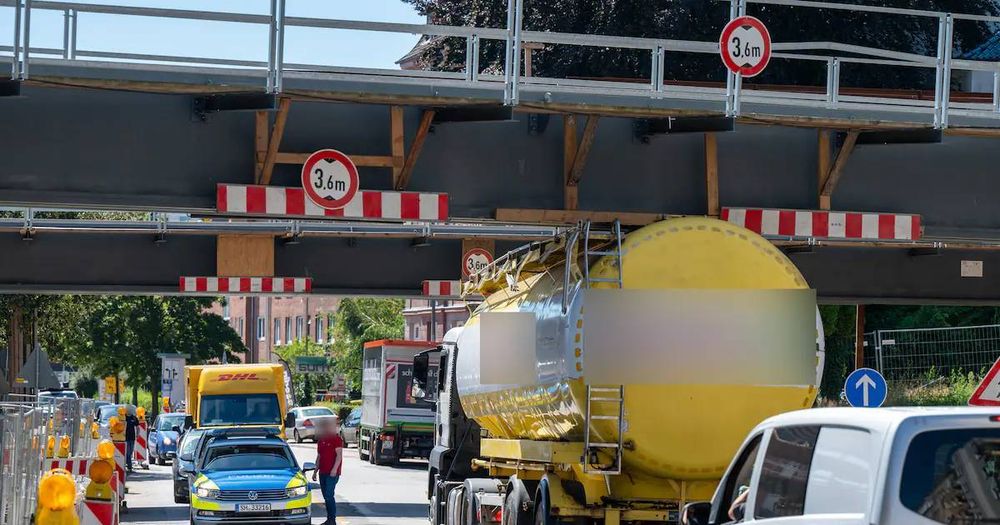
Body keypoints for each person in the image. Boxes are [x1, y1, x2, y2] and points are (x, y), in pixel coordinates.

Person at [313, 417, 343, 525]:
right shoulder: (321, 440)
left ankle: (332, 520)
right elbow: (319, 456)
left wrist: (334, 470)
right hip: (323, 472)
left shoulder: (336, 439)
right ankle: (329, 519)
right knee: (326, 496)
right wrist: (315, 470)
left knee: (329, 495)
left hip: (332, 473)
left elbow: (339, 456)